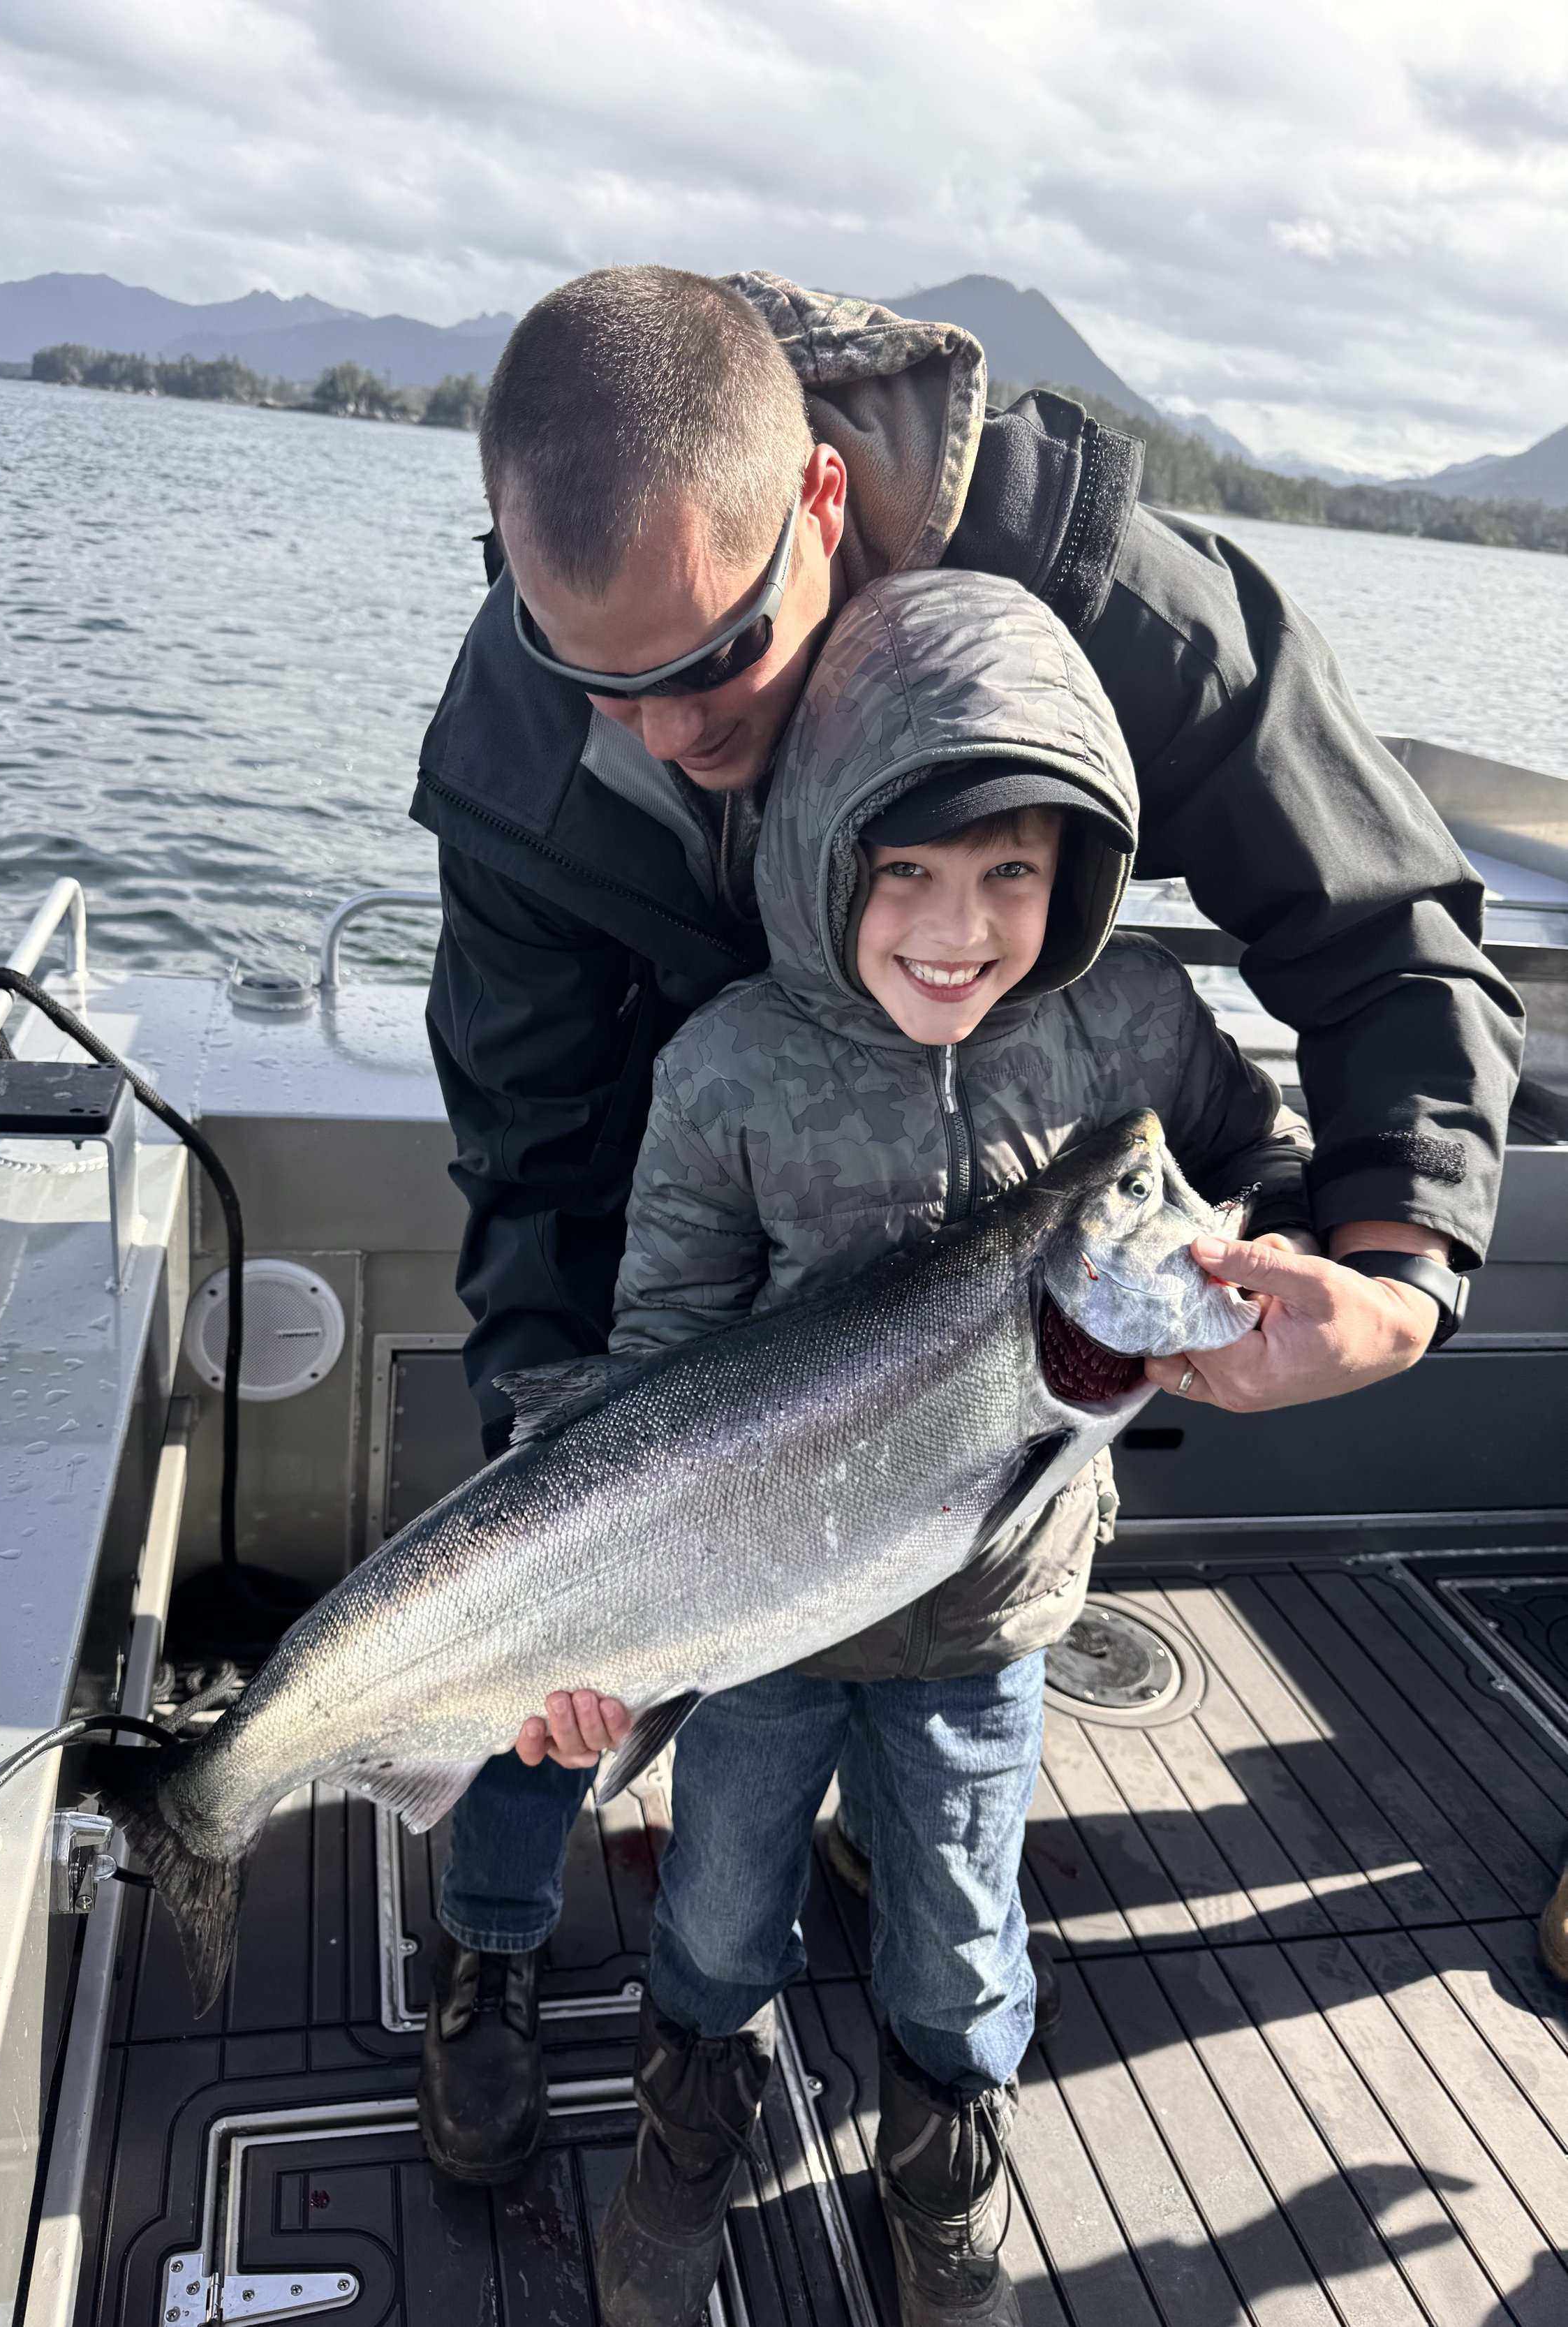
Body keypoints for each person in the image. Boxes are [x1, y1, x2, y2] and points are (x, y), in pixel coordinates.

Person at [408, 265, 1522, 2189]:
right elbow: (530, 1149)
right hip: (687, 1151)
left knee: (955, 1540)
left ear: (822, 510)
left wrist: (1398, 1276)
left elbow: (1379, 928)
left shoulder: (1114, 609)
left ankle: (866, 1829)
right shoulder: (520, 733)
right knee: (550, 1555)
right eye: (603, 678)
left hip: (973, 1189)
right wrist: (558, 1475)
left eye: (720, 663)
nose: (663, 734)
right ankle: (488, 1939)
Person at [586, 565, 1310, 2326]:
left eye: (1008, 870)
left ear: (1075, 872)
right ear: (821, 852)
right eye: (901, 869)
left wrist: (1279, 1248)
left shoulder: (1130, 1021)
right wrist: (602, 1637)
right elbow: (656, 1369)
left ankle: (940, 2163)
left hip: (990, 1623)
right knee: (714, 1906)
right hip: (754, 1630)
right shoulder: (727, 1068)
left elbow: (1254, 1149)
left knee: (961, 1931)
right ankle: (688, 2126)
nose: (952, 924)